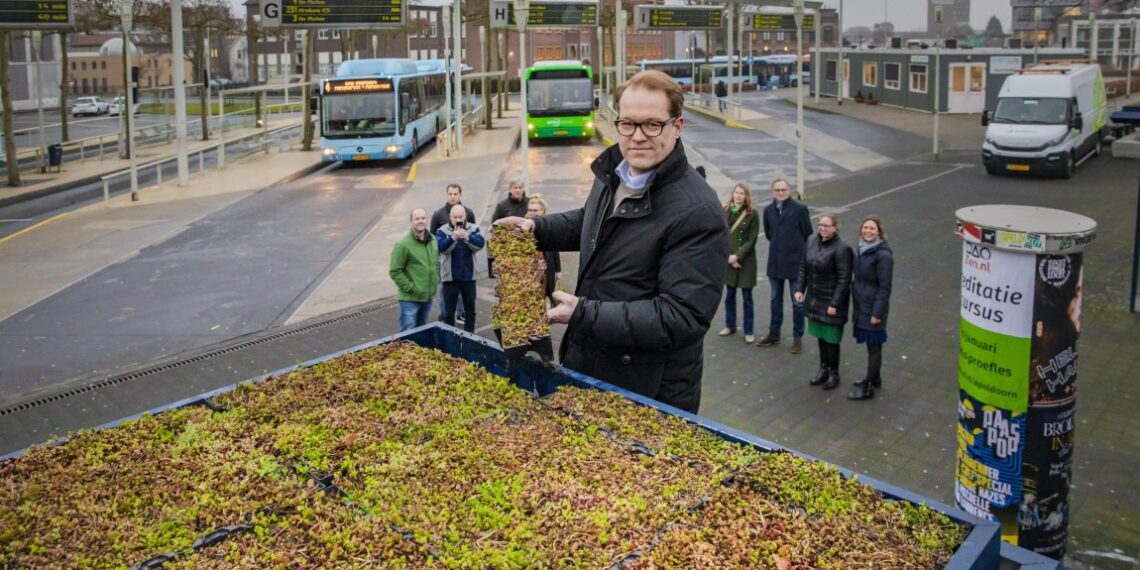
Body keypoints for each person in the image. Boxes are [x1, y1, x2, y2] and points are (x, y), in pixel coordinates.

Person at [494, 70, 729, 413]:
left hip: (646, 392)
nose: (638, 136)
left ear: (677, 126)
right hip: (589, 364)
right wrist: (536, 229)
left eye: (652, 125)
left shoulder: (698, 213)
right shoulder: (615, 172)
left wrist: (582, 313)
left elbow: (681, 317)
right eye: (628, 124)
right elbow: (590, 221)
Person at [795, 214, 853, 391]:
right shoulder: (811, 240)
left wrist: (834, 304)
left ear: (835, 228)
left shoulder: (842, 249)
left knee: (832, 339)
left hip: (831, 303)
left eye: (827, 226)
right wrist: (799, 289)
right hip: (814, 299)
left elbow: (844, 280)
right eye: (820, 225)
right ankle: (823, 369)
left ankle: (834, 374)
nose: (822, 228)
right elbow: (803, 266)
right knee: (821, 336)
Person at [756, 178, 813, 354]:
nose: (780, 193)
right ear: (772, 192)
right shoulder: (768, 210)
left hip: (796, 264)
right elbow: (769, 234)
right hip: (775, 263)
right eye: (777, 190)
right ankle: (774, 334)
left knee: (797, 303)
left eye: (783, 190)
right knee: (775, 300)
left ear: (789, 190)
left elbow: (808, 235)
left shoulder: (800, 210)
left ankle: (797, 338)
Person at [848, 215, 893, 400]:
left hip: (873, 307)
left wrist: (877, 313)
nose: (868, 231)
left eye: (872, 229)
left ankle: (868, 387)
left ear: (879, 232)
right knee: (871, 346)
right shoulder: (862, 249)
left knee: (874, 348)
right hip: (862, 305)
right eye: (865, 228)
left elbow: (885, 287)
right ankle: (875, 378)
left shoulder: (883, 256)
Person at [719, 183, 760, 344]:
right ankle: (730, 325)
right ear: (733, 194)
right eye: (736, 192)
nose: (738, 196)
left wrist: (738, 256)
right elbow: (721, 234)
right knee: (729, 295)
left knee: (747, 297)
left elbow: (752, 239)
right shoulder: (726, 210)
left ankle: (748, 330)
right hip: (728, 259)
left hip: (745, 262)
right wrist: (729, 256)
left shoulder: (752, 214)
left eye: (742, 193)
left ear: (746, 196)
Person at [436, 204, 485, 333]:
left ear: (465, 217)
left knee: (470, 311)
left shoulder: (473, 228)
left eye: (460, 217)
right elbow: (441, 248)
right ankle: (451, 339)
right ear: (450, 217)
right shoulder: (442, 230)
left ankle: (470, 338)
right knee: (449, 313)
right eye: (455, 217)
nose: (458, 219)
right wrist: (453, 238)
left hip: (469, 277)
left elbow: (480, 244)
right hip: (450, 278)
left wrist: (468, 238)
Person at [431, 184, 476, 321]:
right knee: (443, 287)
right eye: (450, 194)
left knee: (463, 288)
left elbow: (473, 230)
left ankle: (460, 313)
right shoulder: (438, 214)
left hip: (463, 257)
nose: (453, 197)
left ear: (460, 195)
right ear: (446, 195)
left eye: (455, 194)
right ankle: (444, 314)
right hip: (444, 257)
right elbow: (433, 237)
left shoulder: (469, 212)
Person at [389, 208, 439, 332]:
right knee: (408, 335)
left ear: (426, 220)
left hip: (427, 297)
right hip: (410, 299)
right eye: (417, 219)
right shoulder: (403, 245)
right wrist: (410, 288)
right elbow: (395, 270)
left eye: (423, 218)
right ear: (411, 221)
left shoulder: (432, 240)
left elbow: (435, 263)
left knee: (421, 332)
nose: (420, 221)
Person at [526, 194, 561, 302]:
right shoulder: (523, 227)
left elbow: (555, 249)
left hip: (546, 271)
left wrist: (558, 270)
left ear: (543, 211)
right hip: (530, 273)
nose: (532, 213)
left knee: (548, 296)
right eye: (530, 210)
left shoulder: (549, 227)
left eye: (535, 210)